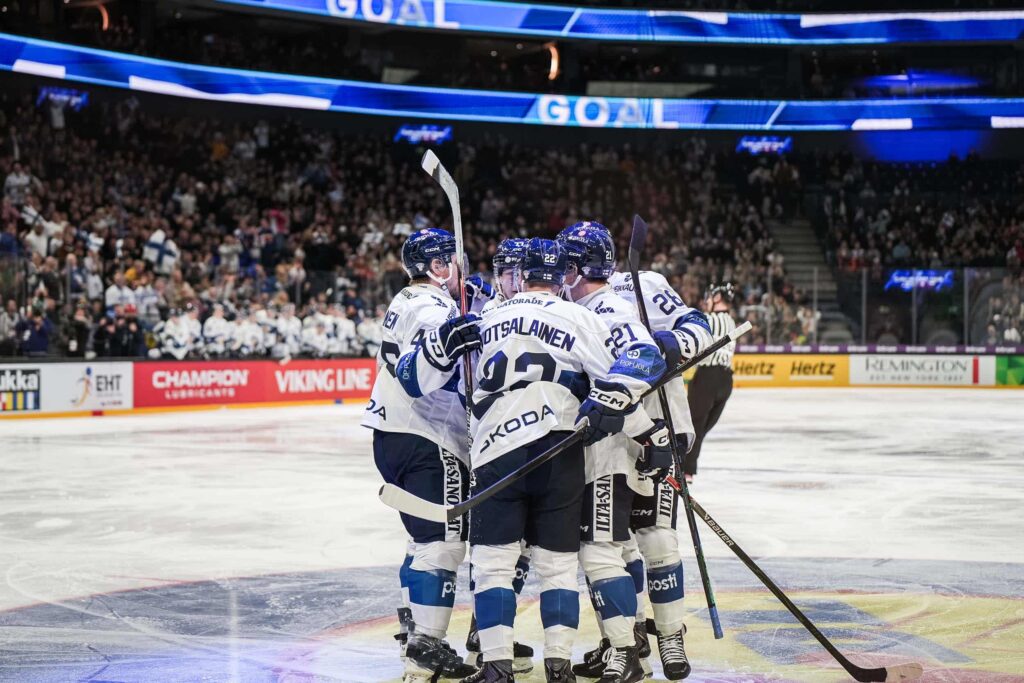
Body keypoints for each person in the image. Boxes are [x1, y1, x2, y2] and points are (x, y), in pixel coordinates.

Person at [463, 238, 665, 683]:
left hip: (496, 454)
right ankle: (558, 666)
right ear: (561, 278)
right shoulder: (581, 318)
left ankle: (496, 666)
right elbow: (615, 387)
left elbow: (467, 391)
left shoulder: (487, 319)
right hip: (560, 453)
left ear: (521, 276)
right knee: (557, 567)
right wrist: (650, 435)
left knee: (493, 564)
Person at [558, 224, 680, 682]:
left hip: (622, 446)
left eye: (564, 266)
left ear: (575, 269)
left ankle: (637, 646)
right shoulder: (591, 307)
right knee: (627, 545)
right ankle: (635, 643)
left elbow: (645, 357)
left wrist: (620, 410)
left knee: (606, 547)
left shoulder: (605, 309)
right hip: (637, 438)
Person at [361, 228, 482, 682]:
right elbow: (424, 372)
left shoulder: (405, 301)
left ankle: (414, 635)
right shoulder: (434, 308)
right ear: (436, 266)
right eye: (452, 260)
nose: (459, 267)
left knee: (421, 541)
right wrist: (456, 336)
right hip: (429, 436)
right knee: (442, 543)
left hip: (391, 434)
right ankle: (427, 647)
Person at [609, 263, 713, 681]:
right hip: (607, 438)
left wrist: (674, 341)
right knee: (610, 547)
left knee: (657, 538)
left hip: (658, 428)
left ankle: (670, 634)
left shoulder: (642, 283)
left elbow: (698, 325)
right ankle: (627, 640)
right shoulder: (565, 296)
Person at [685, 283, 737, 481]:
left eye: (709, 296)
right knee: (702, 427)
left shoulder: (708, 319)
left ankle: (685, 469)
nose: (705, 300)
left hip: (707, 378)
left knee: (694, 425)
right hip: (726, 380)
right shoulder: (731, 321)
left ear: (717, 298)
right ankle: (686, 465)